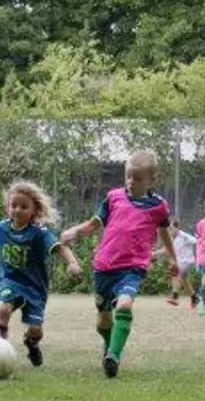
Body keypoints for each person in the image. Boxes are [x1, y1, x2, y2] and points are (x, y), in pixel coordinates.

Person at [61, 150, 177, 379]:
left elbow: (164, 233)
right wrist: (75, 231)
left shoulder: (159, 207)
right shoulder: (114, 197)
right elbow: (93, 225)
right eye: (128, 176)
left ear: (152, 181)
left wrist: (173, 258)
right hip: (104, 267)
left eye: (137, 178)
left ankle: (113, 355)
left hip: (133, 268)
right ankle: (109, 343)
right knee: (103, 320)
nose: (131, 182)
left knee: (124, 305)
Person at [0, 181, 81, 368]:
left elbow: (59, 247)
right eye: (13, 206)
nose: (17, 210)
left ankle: (32, 343)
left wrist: (72, 263)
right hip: (9, 280)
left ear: (34, 211)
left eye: (23, 206)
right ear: (7, 207)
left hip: (34, 287)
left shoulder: (39, 233)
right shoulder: (0, 228)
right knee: (3, 309)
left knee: (36, 330)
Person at [162, 219, 200, 312]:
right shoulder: (170, 238)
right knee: (184, 281)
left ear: (177, 228)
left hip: (187, 261)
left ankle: (174, 297)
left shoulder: (183, 236)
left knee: (175, 272)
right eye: (168, 229)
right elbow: (165, 249)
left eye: (171, 228)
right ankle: (194, 298)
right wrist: (153, 254)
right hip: (180, 262)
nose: (169, 231)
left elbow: (196, 241)